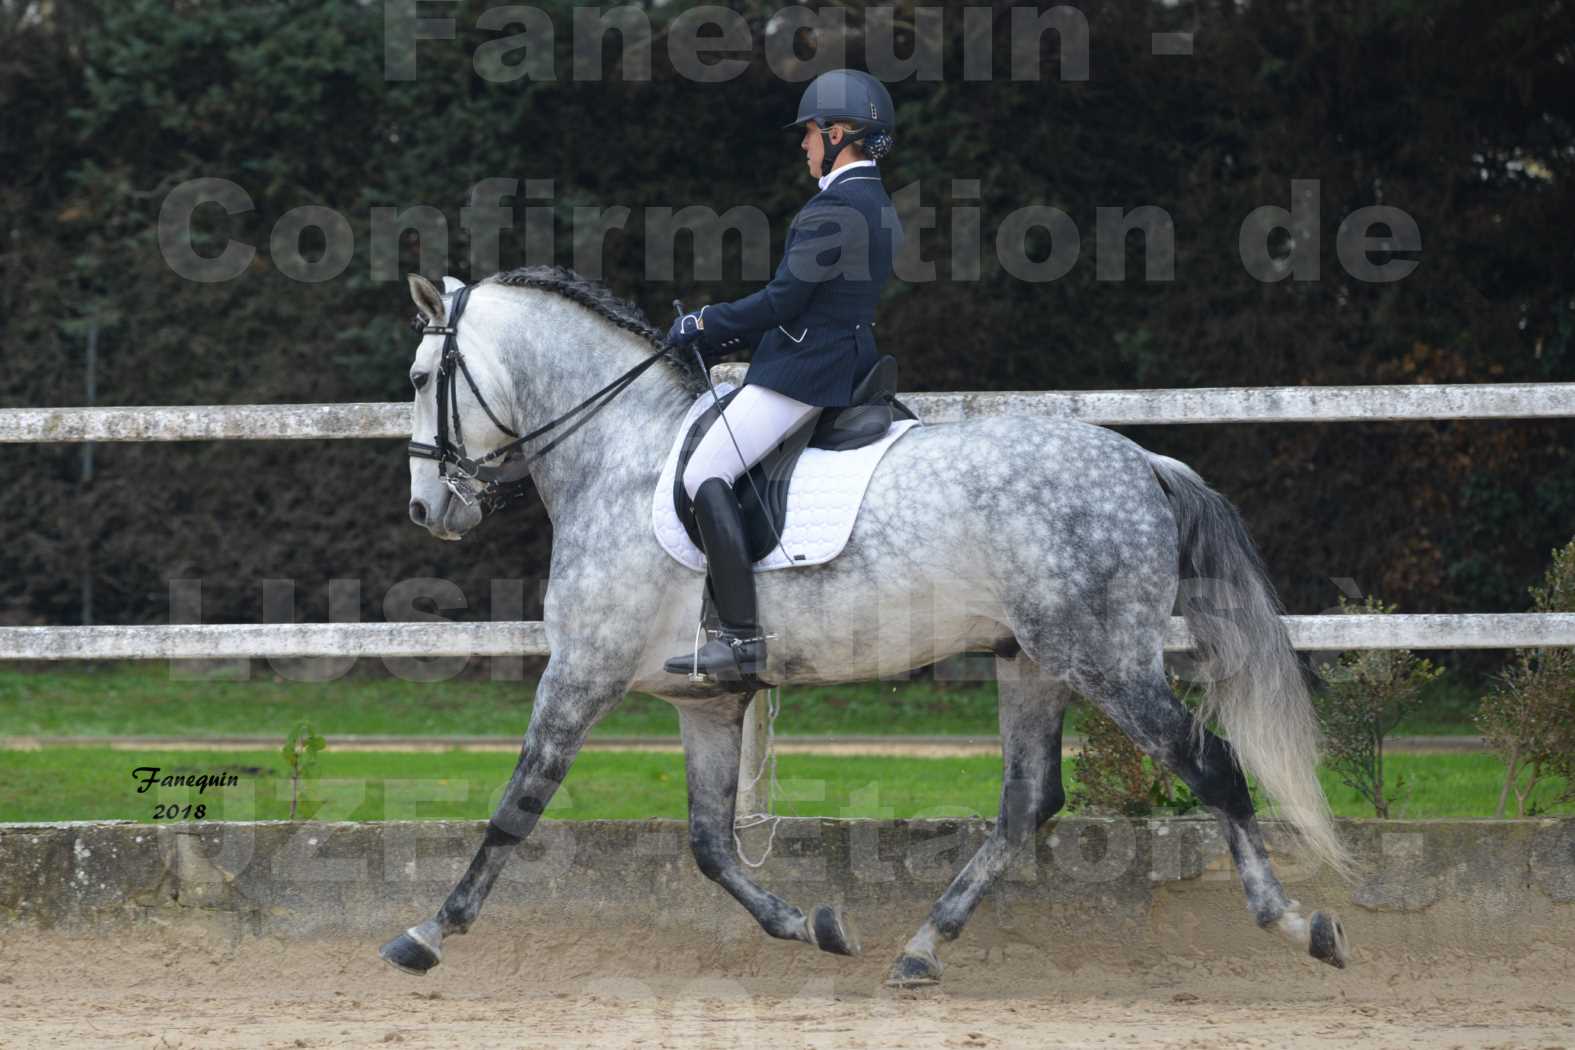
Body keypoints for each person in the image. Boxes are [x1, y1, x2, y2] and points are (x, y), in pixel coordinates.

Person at [664, 68, 903, 683]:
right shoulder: (876, 203)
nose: (802, 145)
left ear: (840, 132)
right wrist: (735, 336)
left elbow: (785, 301)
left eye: (809, 134)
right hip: (841, 355)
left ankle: (741, 638)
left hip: (805, 372)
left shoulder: (836, 207)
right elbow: (818, 304)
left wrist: (704, 323)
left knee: (703, 472)